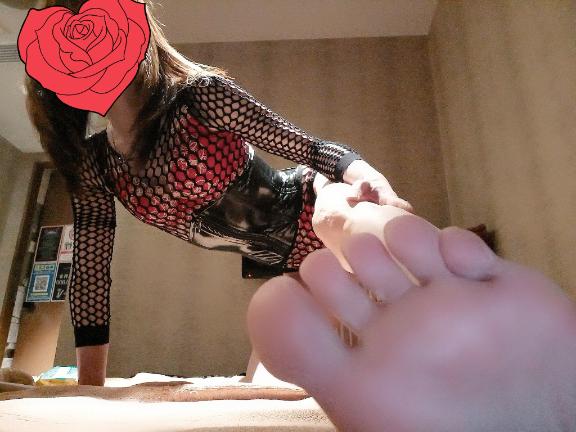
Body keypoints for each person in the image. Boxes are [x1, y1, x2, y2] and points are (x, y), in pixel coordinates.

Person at [24, 0, 411, 386]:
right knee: (264, 386)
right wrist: (90, 390)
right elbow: (90, 274)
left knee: (336, 222)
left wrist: (371, 179)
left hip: (311, 198)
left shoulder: (200, 97)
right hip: (294, 261)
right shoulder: (95, 163)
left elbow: (307, 147)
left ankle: (423, 262)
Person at [247, 182, 576, 431]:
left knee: (276, 366)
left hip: (317, 214)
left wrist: (344, 188)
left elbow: (331, 170)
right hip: (320, 235)